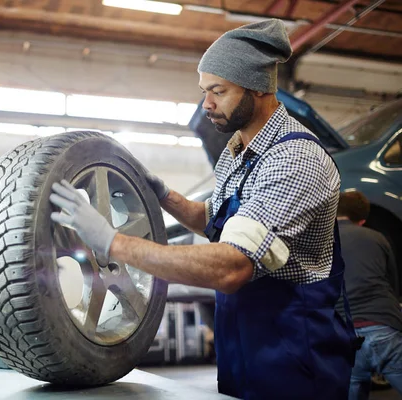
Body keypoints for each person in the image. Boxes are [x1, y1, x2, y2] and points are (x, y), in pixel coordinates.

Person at [49, 19, 357, 399]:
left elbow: (232, 266)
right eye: (203, 91)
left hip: (297, 358)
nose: (206, 103)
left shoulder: (296, 159)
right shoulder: (237, 149)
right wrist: (166, 197)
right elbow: (219, 221)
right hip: (243, 352)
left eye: (218, 91)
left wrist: (113, 243)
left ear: (258, 87)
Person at [335, 191, 402, 399]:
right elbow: (394, 286)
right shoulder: (377, 238)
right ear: (362, 221)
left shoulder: (320, 242)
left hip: (345, 336)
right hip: (384, 328)